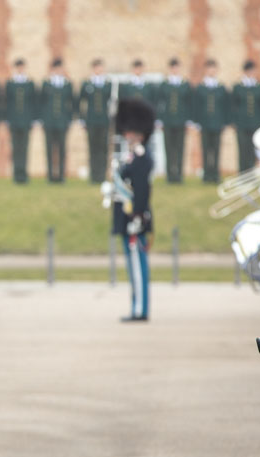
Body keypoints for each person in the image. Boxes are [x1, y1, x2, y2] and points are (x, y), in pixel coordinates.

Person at [111, 98, 155, 322]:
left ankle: (140, 309)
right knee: (133, 266)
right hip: (127, 218)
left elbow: (141, 191)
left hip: (134, 219)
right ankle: (137, 306)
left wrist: (137, 216)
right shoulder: (130, 156)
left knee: (138, 267)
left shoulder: (141, 157)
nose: (126, 135)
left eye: (129, 132)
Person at [192, 58, 228, 183]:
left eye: (214, 68)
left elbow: (225, 106)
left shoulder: (221, 87)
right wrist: (196, 122)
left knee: (217, 150)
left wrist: (225, 122)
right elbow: (196, 105)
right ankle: (207, 175)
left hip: (217, 124)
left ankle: (215, 174)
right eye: (209, 68)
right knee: (206, 150)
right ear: (206, 70)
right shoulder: (200, 87)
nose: (211, 71)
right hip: (205, 124)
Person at [40, 57, 75, 183]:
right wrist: (41, 119)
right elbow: (41, 102)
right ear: (53, 69)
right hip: (49, 122)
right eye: (57, 68)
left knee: (62, 149)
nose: (59, 70)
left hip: (62, 122)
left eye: (61, 68)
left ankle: (61, 176)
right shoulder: (46, 83)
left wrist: (70, 119)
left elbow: (72, 102)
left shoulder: (67, 84)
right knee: (49, 148)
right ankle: (50, 176)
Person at [230, 59, 260, 172]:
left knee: (254, 150)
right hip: (242, 124)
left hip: (256, 123)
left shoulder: (259, 87)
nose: (251, 73)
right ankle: (242, 172)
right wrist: (234, 122)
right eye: (249, 70)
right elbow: (233, 105)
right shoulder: (238, 87)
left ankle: (252, 172)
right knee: (243, 150)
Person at [157, 57, 191, 183]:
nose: (175, 69)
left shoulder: (184, 84)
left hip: (181, 121)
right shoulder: (164, 85)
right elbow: (159, 103)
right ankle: (170, 176)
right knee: (169, 148)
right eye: (173, 67)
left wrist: (188, 120)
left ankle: (179, 175)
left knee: (180, 148)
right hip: (168, 121)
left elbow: (189, 103)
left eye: (177, 67)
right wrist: (159, 120)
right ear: (170, 69)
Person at [3, 58, 36, 184]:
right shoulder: (10, 83)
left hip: (26, 121)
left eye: (22, 67)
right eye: (18, 67)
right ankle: (16, 175)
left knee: (25, 148)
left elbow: (33, 102)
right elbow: (6, 102)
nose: (20, 69)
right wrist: (6, 119)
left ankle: (24, 174)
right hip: (14, 121)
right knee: (16, 148)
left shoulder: (29, 83)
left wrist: (34, 119)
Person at [79, 58, 111, 183]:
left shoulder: (108, 84)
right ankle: (94, 176)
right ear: (93, 69)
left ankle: (102, 175)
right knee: (93, 148)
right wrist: (82, 119)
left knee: (103, 148)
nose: (99, 69)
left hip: (103, 121)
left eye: (101, 67)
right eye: (97, 67)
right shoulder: (87, 84)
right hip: (91, 121)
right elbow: (80, 101)